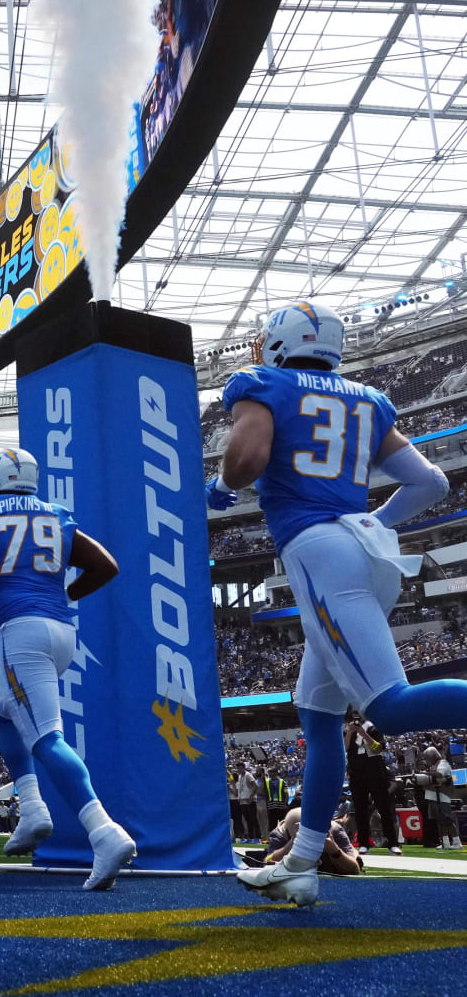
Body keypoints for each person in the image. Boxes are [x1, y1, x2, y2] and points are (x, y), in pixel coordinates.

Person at [207, 300, 459, 906]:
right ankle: (300, 862)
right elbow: (432, 483)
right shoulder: (367, 399)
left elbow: (244, 461)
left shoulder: (263, 382)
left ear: (275, 343)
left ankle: (301, 860)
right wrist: (371, 520)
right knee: (318, 720)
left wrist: (217, 489)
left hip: (320, 553)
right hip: (363, 550)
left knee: (390, 708)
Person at [0, 447, 136, 891]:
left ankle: (104, 832)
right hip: (60, 631)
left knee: (47, 738)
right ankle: (32, 809)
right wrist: (66, 592)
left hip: (20, 632)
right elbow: (106, 566)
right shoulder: (57, 515)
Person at [344, 713, 400, 856]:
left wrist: (363, 733)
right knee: (360, 811)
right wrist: (351, 732)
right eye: (354, 715)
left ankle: (393, 843)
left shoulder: (374, 728)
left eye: (359, 715)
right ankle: (363, 844)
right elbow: (345, 748)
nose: (356, 719)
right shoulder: (347, 730)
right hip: (357, 775)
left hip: (376, 773)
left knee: (384, 809)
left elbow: (379, 748)